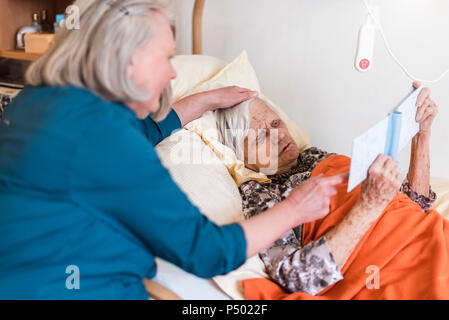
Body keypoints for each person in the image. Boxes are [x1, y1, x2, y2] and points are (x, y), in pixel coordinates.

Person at [0, 0, 345, 299]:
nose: (170, 73)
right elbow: (207, 251)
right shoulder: (106, 139)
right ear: (126, 57)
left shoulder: (37, 100)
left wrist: (206, 99)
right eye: (165, 57)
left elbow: (142, 131)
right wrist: (296, 208)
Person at [215, 87, 438, 295]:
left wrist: (421, 135)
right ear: (240, 156)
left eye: (275, 123)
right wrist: (370, 205)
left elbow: (413, 206)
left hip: (429, 238)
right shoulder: (260, 194)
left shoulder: (315, 155)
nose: (278, 135)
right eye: (260, 137)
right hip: (393, 272)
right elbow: (299, 278)